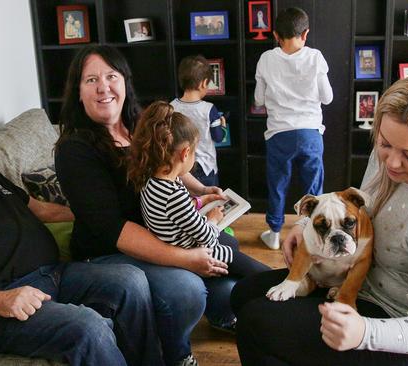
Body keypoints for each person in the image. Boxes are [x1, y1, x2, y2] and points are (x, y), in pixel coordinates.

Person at [231, 72, 408, 365]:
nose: (391, 162)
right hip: (361, 284)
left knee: (256, 323)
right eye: (384, 144)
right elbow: (354, 208)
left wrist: (364, 333)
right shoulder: (389, 158)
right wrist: (306, 224)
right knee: (242, 295)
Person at [0, 96, 164, 366]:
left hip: (56, 273)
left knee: (131, 280)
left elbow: (40, 209)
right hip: (5, 304)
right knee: (89, 328)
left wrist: (102, 217)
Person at [53, 45, 269, 366]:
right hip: (110, 249)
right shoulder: (74, 150)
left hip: (159, 231)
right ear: (78, 92)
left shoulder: (141, 124)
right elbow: (112, 229)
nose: (103, 87)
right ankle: (178, 354)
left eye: (111, 76)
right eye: (91, 80)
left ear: (124, 81)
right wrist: (185, 258)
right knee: (187, 288)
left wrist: (201, 191)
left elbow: (171, 167)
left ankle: (229, 311)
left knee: (226, 248)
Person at [128, 101, 265, 281]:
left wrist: (203, 199)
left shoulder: (152, 179)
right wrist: (214, 218)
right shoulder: (173, 195)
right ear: (185, 154)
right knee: (259, 272)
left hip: (177, 241)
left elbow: (175, 213)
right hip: (196, 253)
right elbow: (207, 237)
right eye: (194, 152)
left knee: (232, 243)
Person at [253, 7, 334, 250]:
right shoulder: (316, 57)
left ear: (276, 35)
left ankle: (274, 233)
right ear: (305, 34)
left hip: (279, 134)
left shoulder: (266, 59)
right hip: (310, 132)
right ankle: (309, 231)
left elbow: (258, 100)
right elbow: (327, 98)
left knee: (277, 183)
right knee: (313, 186)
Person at [171, 55, 226, 187]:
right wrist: (223, 126)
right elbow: (218, 137)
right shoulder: (209, 109)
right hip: (205, 167)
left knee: (188, 202)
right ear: (203, 83)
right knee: (209, 201)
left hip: (180, 167)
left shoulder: (171, 107)